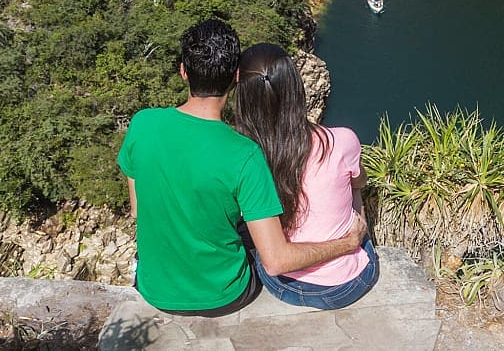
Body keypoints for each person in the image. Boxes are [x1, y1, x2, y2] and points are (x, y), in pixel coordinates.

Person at [117, 19, 366, 316]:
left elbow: (138, 209)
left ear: (183, 71)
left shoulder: (142, 124)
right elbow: (276, 261)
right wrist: (348, 242)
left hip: (154, 288)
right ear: (236, 77)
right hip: (223, 295)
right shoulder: (244, 154)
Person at [232, 43, 379, 309]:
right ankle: (356, 232)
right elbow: (361, 182)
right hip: (348, 284)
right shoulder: (341, 140)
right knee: (352, 184)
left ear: (242, 98)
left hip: (283, 285)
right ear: (296, 90)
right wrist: (350, 241)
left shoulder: (244, 159)